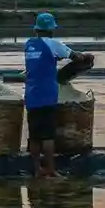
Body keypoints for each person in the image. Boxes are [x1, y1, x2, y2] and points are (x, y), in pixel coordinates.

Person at [24, 12, 94, 178]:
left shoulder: (29, 44)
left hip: (31, 94)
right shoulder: (54, 44)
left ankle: (36, 169)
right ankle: (50, 169)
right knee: (48, 136)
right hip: (47, 94)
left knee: (34, 136)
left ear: (36, 30)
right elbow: (75, 56)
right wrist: (86, 58)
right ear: (52, 30)